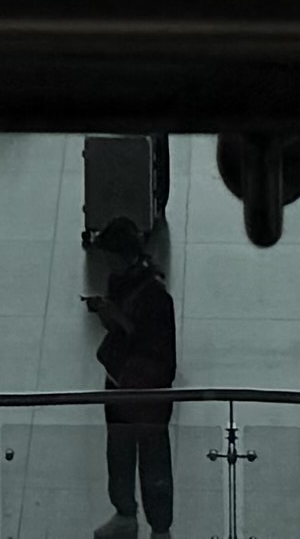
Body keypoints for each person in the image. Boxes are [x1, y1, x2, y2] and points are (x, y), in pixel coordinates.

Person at [92, 220, 181, 539]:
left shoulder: (153, 294)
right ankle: (126, 512)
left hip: (143, 389)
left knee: (150, 454)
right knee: (121, 450)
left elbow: (154, 343)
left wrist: (120, 321)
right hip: (123, 383)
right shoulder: (123, 283)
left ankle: (157, 525)